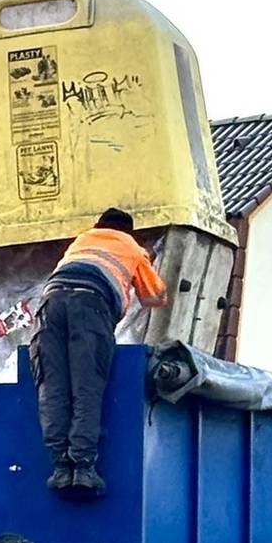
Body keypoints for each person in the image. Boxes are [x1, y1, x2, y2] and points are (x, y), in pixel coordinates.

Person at [30, 208, 167, 496]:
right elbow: (155, 297)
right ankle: (83, 469)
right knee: (86, 387)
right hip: (90, 306)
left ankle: (59, 469)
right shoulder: (130, 245)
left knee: (53, 388)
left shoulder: (82, 241)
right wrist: (145, 266)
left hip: (50, 305)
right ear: (127, 230)